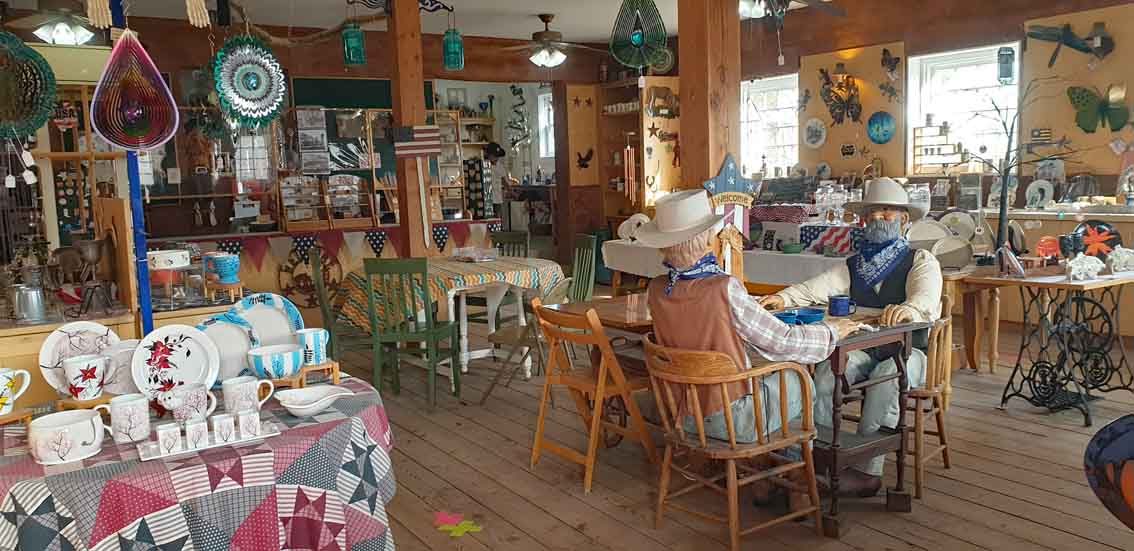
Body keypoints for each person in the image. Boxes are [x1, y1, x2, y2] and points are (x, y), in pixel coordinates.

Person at [759, 177, 943, 496]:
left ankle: (867, 471)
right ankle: (819, 456)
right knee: (827, 374)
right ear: (864, 219)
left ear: (903, 218)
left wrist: (908, 309)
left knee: (888, 377)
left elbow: (925, 299)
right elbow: (817, 287)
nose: (878, 217)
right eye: (872, 212)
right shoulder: (854, 265)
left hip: (909, 352)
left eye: (887, 211)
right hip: (865, 346)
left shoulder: (921, 261)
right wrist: (783, 298)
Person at [635, 190, 861, 445]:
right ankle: (796, 457)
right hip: (730, 419)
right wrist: (831, 330)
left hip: (679, 412)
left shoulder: (657, 288)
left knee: (770, 376)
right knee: (798, 378)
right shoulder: (724, 288)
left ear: (663, 245)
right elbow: (781, 341)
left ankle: (782, 454)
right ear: (706, 236)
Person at [484, 142, 510, 220]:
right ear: (489, 155)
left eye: (497, 156)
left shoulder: (500, 166)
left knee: (497, 218)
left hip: (497, 197)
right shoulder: (484, 165)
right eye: (494, 156)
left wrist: (510, 190)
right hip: (486, 198)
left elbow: (504, 180)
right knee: (488, 218)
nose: (496, 158)